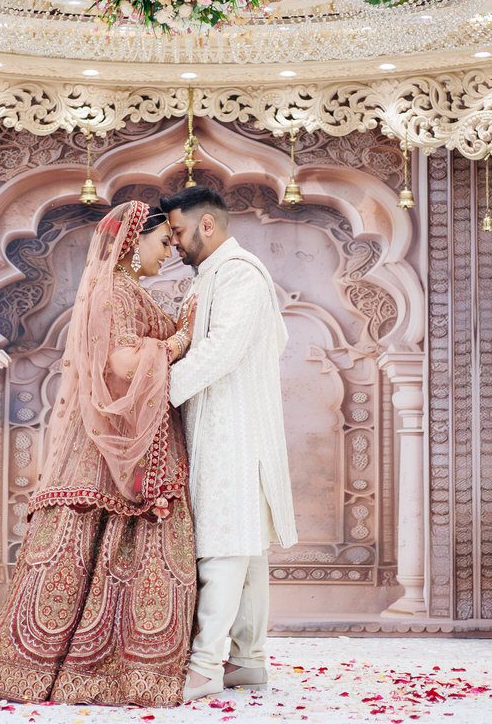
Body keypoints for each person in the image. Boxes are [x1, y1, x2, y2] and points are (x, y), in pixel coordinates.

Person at [0, 200, 199, 707]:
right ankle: (110, 674)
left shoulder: (122, 289)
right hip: (115, 441)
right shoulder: (116, 291)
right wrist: (180, 339)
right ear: (133, 242)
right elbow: (122, 362)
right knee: (107, 542)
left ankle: (63, 672)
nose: (170, 253)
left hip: (129, 433)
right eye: (163, 243)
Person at [161, 185, 298, 703]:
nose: (174, 243)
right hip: (223, 423)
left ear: (207, 226)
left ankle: (203, 667)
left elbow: (220, 352)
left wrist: (157, 394)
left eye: (177, 231)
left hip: (234, 429)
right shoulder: (215, 276)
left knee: (222, 548)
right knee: (247, 551)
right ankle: (248, 661)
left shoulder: (239, 274)